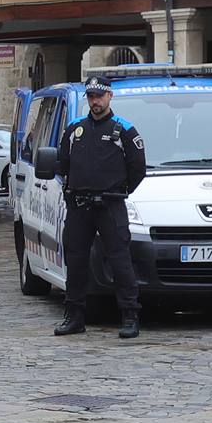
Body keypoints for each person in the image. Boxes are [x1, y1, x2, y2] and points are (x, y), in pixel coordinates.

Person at [54, 76, 146, 339]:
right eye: (91, 96)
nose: (95, 101)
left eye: (100, 96)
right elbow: (63, 163)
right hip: (79, 207)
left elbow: (138, 168)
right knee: (76, 262)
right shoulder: (74, 129)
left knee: (120, 262)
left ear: (109, 97)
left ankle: (129, 316)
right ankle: (74, 316)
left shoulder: (124, 130)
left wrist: (120, 190)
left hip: (110, 205)